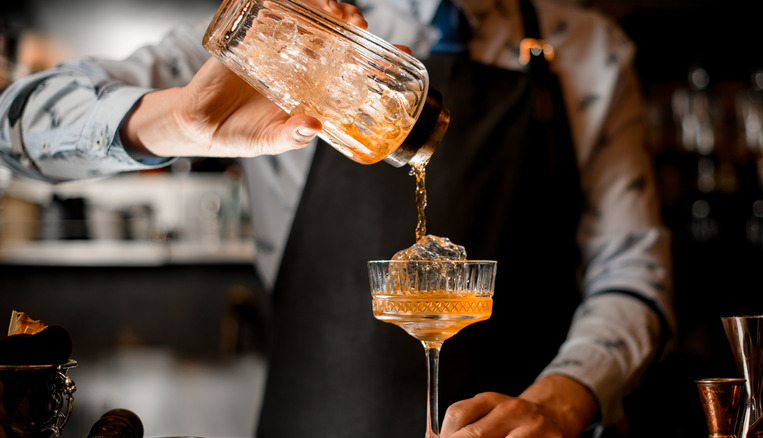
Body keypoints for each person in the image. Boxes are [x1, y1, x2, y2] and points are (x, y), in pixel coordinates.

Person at [0, 0, 674, 437]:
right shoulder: (284, 32)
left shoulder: (588, 50)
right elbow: (17, 124)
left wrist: (565, 399)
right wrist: (175, 120)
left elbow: (634, 277)